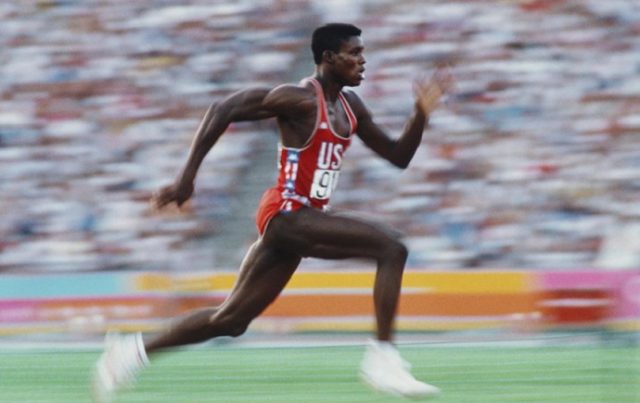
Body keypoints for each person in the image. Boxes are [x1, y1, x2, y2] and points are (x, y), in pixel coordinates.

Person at [92, 22, 452, 402]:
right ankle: (383, 359)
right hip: (288, 215)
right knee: (391, 247)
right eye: (355, 53)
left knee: (230, 320)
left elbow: (398, 157)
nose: (363, 61)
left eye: (363, 53)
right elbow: (223, 108)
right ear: (329, 58)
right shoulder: (298, 99)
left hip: (300, 223)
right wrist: (186, 180)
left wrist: (420, 114)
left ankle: (129, 352)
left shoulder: (351, 107)